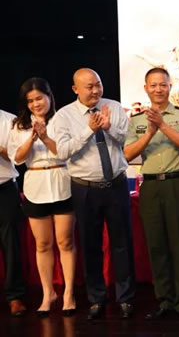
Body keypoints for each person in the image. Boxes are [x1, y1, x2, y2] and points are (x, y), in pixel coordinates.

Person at [54, 68, 136, 320]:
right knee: (90, 245)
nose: (95, 90)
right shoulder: (64, 116)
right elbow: (62, 151)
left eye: (98, 84)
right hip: (85, 189)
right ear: (75, 89)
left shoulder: (114, 107)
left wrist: (109, 128)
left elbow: (127, 141)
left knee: (122, 244)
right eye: (89, 86)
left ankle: (125, 298)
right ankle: (96, 298)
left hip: (116, 185)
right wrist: (88, 130)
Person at [124, 67, 179, 321]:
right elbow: (127, 154)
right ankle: (165, 300)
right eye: (153, 85)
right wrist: (150, 132)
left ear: (170, 87)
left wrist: (163, 125)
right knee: (156, 244)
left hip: (177, 183)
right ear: (146, 88)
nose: (158, 89)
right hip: (151, 186)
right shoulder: (136, 120)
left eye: (163, 85)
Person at [7, 78, 75, 317]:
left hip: (62, 181)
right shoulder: (19, 125)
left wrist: (45, 137)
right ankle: (48, 293)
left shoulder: (63, 119)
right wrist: (32, 138)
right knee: (43, 244)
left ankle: (68, 293)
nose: (36, 104)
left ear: (49, 96)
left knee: (65, 242)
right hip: (35, 185)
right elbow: (17, 158)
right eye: (30, 101)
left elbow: (67, 153)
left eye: (39, 98)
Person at [0, 109, 27, 317]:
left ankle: (15, 296)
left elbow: (19, 158)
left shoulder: (10, 121)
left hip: (5, 187)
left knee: (10, 243)